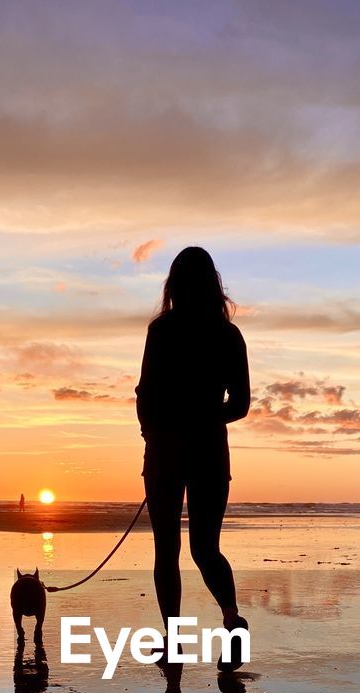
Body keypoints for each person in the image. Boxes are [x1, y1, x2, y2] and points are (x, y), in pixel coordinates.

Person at [135, 246, 251, 670]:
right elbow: (240, 405)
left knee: (167, 549)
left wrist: (154, 433)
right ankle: (231, 620)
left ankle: (174, 641)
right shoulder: (228, 335)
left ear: (174, 284)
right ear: (212, 284)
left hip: (166, 450)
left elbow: (145, 393)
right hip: (207, 452)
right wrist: (205, 417)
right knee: (206, 549)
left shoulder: (162, 330)